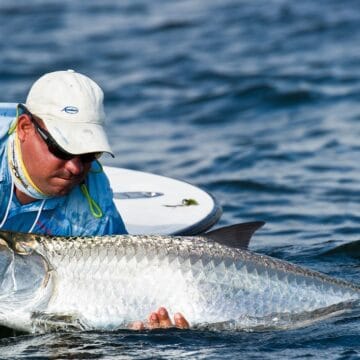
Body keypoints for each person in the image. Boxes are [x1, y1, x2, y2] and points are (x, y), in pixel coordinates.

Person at [0, 70, 127, 236]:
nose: (75, 168)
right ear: (24, 128)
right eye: (61, 149)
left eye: (88, 154)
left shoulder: (99, 216)